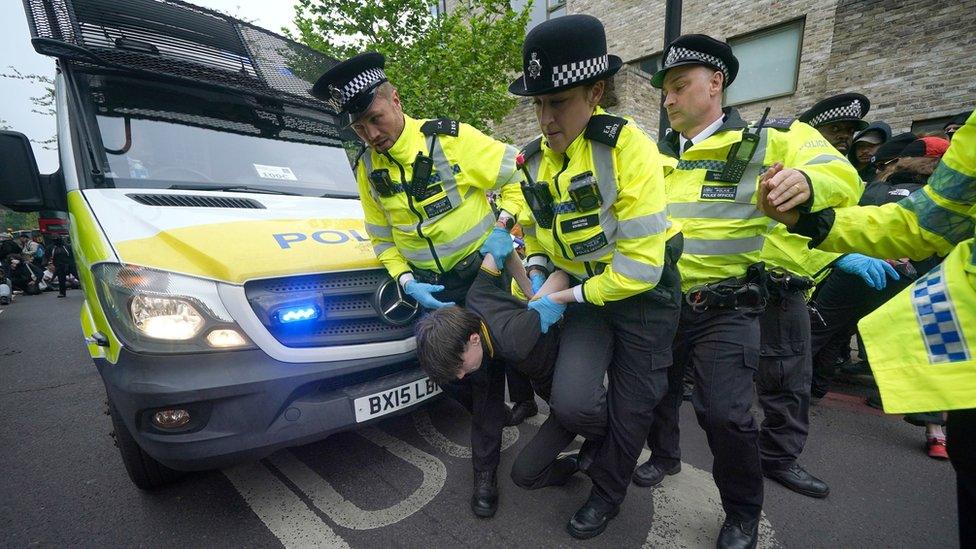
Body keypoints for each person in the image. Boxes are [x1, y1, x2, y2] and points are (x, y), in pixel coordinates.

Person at [638, 34, 861, 548]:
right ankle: (665, 457)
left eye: (678, 86)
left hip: (727, 305)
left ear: (715, 84)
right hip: (667, 304)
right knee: (658, 394)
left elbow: (840, 173)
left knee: (726, 415)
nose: (668, 99)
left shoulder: (773, 137)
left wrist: (806, 181)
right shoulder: (659, 157)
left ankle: (741, 513)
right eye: (665, 91)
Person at [312, 52, 529, 518]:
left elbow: (519, 175)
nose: (372, 135)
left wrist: (504, 225)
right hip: (432, 290)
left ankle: (485, 469)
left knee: (485, 377)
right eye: (360, 129)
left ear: (395, 99)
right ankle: (502, 408)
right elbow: (383, 239)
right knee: (447, 371)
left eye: (375, 119)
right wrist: (406, 279)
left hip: (480, 276)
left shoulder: (450, 140)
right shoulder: (368, 169)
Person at [761, 109, 975, 547]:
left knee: (793, 373)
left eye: (847, 134)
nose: (842, 141)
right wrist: (813, 224)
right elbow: (925, 220)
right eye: (835, 132)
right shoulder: (775, 146)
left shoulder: (838, 171)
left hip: (802, 284)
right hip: (757, 281)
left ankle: (778, 455)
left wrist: (824, 236)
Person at [506, 14, 683, 539]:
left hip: (643, 294)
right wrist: (539, 281)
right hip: (583, 289)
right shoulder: (534, 161)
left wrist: (563, 295)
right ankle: (604, 447)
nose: (544, 118)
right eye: (538, 104)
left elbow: (638, 270)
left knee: (633, 404)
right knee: (576, 400)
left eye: (557, 102)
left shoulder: (628, 146)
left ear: (595, 92)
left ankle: (607, 494)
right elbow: (539, 239)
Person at [798, 93, 871, 156]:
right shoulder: (794, 169)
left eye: (851, 131)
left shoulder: (849, 170)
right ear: (813, 132)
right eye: (834, 129)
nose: (845, 136)